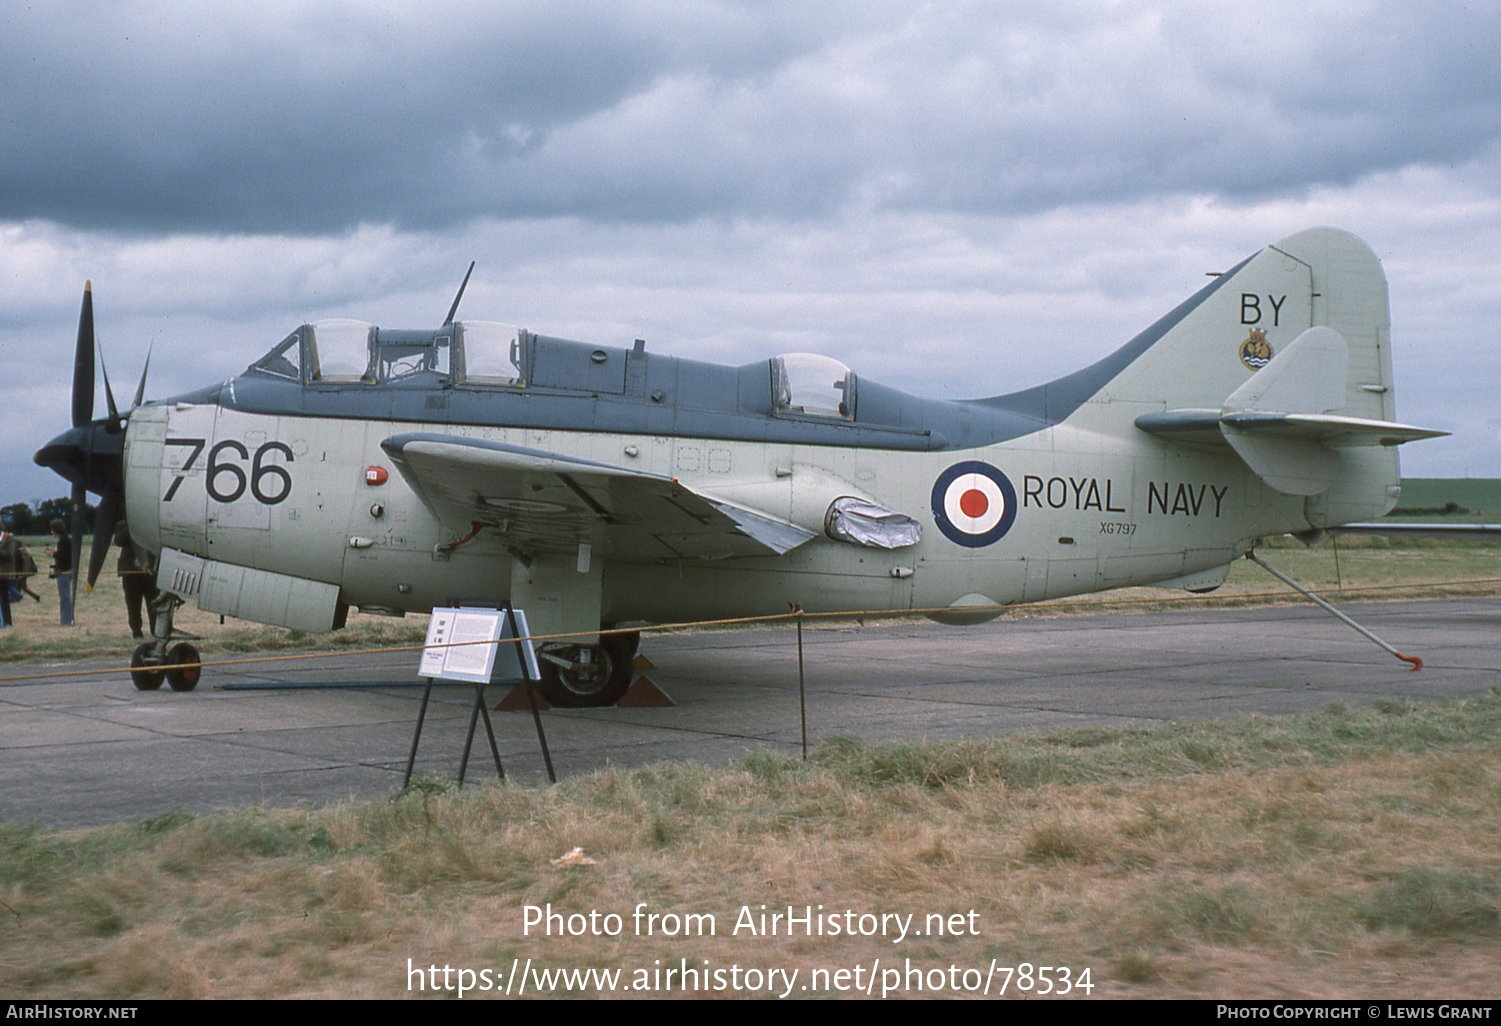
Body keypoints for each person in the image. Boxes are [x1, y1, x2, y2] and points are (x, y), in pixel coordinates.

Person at [114, 521, 158, 639]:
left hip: (150, 573)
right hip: (131, 574)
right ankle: (137, 632)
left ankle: (156, 630)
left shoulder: (153, 523)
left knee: (154, 604)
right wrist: (133, 526)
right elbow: (118, 541)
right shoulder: (124, 524)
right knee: (133, 606)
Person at [46, 519, 76, 627]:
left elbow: (63, 557)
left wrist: (52, 553)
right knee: (66, 597)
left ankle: (66, 621)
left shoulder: (62, 541)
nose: (51, 532)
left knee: (65, 598)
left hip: (64, 572)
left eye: (52, 530)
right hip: (69, 570)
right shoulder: (67, 539)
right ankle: (69, 619)